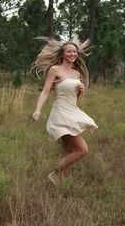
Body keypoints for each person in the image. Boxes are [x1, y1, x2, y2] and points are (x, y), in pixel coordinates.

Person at [31, 36, 98, 186]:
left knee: (68, 152)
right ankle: (54, 174)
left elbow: (76, 100)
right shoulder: (55, 70)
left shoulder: (77, 74)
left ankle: (60, 186)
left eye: (74, 52)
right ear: (62, 53)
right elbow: (45, 92)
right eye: (69, 51)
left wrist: (81, 91)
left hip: (72, 112)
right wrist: (37, 110)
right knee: (83, 149)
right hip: (60, 114)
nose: (72, 54)